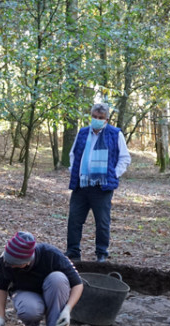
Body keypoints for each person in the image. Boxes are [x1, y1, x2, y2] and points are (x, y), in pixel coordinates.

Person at [0, 232, 84, 326]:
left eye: (15, 264)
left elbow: (78, 284)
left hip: (53, 292)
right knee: (29, 310)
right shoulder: (5, 261)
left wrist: (67, 310)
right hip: (26, 293)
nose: (11, 266)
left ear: (28, 261)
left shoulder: (51, 255)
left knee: (58, 279)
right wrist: (0, 317)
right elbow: (1, 287)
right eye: (9, 263)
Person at [65, 103, 131, 263]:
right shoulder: (82, 133)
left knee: (102, 222)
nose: (97, 120)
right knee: (74, 219)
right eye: (94, 117)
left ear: (106, 119)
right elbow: (73, 154)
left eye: (100, 118)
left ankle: (101, 253)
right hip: (82, 185)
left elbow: (125, 158)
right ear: (91, 116)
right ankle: (73, 252)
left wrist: (113, 174)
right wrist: (74, 171)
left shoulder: (115, 134)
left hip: (102, 187)